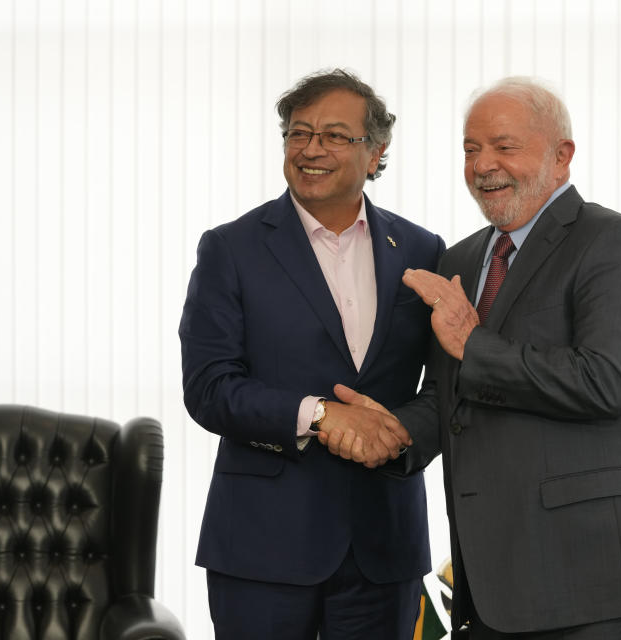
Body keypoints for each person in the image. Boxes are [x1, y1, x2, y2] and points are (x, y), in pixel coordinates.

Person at [326, 77, 621, 639]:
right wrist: (396, 432)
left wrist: (474, 343)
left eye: (504, 147)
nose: (483, 164)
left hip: (600, 579)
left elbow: (606, 382)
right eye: (470, 149)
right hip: (493, 584)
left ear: (562, 156)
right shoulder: (459, 258)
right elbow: (453, 391)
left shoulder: (614, 242)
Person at [178, 68, 444, 639]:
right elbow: (208, 386)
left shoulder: (423, 250)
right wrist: (321, 415)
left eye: (333, 135)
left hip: (384, 548)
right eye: (298, 134)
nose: (311, 149)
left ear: (376, 152)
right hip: (262, 551)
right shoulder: (231, 248)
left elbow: (443, 390)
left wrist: (397, 434)